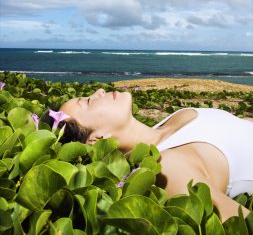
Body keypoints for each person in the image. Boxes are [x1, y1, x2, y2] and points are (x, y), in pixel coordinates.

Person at [42, 88, 253, 222]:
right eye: (88, 102)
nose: (98, 91)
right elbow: (239, 222)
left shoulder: (167, 124)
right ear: (96, 139)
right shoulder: (166, 167)